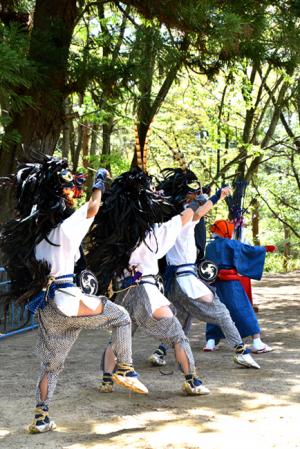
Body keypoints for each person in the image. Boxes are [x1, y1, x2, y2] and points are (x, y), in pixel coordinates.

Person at [0, 155, 147, 435]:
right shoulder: (65, 229)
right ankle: (124, 368)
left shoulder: (35, 240)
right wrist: (100, 182)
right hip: (69, 299)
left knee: (51, 367)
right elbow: (93, 207)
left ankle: (41, 417)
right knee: (121, 317)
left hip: (47, 308)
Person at [87, 167, 210, 396]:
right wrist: (196, 203)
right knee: (177, 335)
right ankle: (192, 381)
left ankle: (106, 380)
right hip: (147, 291)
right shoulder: (152, 233)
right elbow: (181, 220)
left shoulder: (116, 236)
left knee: (119, 335)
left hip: (124, 292)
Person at [148, 168, 260, 370]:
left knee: (180, 317)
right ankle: (241, 352)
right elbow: (198, 211)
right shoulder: (182, 219)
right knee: (222, 313)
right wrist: (215, 196)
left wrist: (209, 197)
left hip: (173, 283)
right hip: (186, 279)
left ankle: (160, 351)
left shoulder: (167, 221)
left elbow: (197, 211)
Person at [204, 219, 275, 353]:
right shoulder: (231, 244)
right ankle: (257, 342)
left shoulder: (210, 247)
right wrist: (264, 249)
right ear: (227, 231)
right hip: (231, 284)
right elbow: (248, 250)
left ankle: (210, 342)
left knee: (215, 310)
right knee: (244, 309)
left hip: (214, 284)